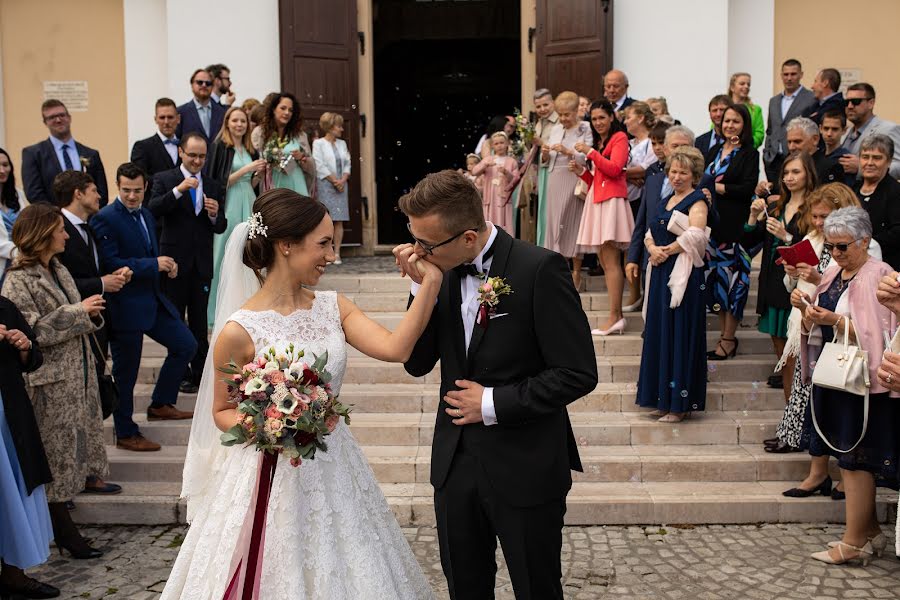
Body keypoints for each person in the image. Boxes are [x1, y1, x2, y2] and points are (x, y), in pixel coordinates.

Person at [162, 188, 441, 599]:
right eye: (323, 244)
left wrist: (430, 283)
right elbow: (221, 410)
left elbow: (397, 348)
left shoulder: (334, 306)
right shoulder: (239, 331)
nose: (331, 255)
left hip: (334, 461)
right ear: (286, 245)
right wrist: (270, 423)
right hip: (268, 470)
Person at [396, 169, 597, 599]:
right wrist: (420, 291)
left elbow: (577, 372)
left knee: (536, 588)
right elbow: (415, 362)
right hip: (455, 465)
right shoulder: (439, 271)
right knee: (465, 589)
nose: (416, 251)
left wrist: (491, 402)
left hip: (526, 464)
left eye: (425, 244)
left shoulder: (540, 269)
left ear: (468, 238)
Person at [1, 203, 107, 559]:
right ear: (43, 235)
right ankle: (64, 533)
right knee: (56, 458)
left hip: (77, 374)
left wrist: (86, 315)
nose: (66, 235)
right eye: (60, 230)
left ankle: (64, 529)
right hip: (48, 382)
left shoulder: (58, 268)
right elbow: (30, 331)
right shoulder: (18, 280)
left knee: (73, 452)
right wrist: (80, 312)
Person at [799, 207, 897, 566]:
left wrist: (835, 320)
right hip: (837, 376)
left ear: (865, 242)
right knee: (848, 458)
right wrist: (809, 311)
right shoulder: (834, 271)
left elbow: (880, 335)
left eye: (842, 246)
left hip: (864, 382)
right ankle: (869, 532)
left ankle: (853, 541)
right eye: (832, 246)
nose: (836, 254)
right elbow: (825, 315)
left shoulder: (878, 274)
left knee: (856, 461)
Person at [771, 185, 875, 496]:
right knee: (818, 407)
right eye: (814, 217)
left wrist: (827, 308)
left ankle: (848, 477)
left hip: (847, 345)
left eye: (824, 217)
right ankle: (818, 473)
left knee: (846, 417)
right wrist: (796, 283)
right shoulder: (817, 240)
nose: (818, 223)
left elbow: (866, 310)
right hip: (817, 336)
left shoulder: (870, 256)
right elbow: (818, 285)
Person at [92, 163, 197, 452]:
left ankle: (161, 402)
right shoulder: (104, 218)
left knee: (186, 345)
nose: (131, 196)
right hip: (125, 306)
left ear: (145, 187)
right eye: (126, 190)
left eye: (137, 190)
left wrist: (167, 266)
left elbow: (149, 252)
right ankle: (126, 432)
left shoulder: (147, 213)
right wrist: (154, 265)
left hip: (153, 299)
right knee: (125, 375)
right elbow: (111, 263)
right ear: (117, 186)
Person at [635, 147, 709, 422]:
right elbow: (649, 232)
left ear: (694, 175)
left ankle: (679, 405)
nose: (676, 176)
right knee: (661, 332)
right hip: (659, 270)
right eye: (673, 171)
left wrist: (667, 250)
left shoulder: (697, 200)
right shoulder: (666, 198)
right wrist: (653, 248)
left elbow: (697, 236)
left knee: (678, 334)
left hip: (683, 275)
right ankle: (661, 399)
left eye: (683, 172)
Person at [149, 133, 226, 394]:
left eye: (202, 156)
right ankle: (180, 374)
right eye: (192, 155)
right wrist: (178, 190)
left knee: (199, 322)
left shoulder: (213, 185)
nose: (197, 160)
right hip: (174, 262)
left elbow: (221, 226)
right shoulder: (165, 179)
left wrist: (215, 215)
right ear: (181, 152)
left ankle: (200, 374)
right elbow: (154, 209)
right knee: (176, 321)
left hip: (201, 263)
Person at [0, 296, 59, 599]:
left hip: (9, 415)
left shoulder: (4, 306)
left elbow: (34, 359)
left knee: (12, 495)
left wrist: (24, 347)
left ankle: (14, 574)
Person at [747, 151, 817, 398]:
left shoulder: (814, 209)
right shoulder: (777, 206)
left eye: (795, 171)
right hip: (772, 282)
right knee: (783, 356)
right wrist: (754, 215)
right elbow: (748, 240)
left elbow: (815, 254)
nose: (788, 177)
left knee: (798, 359)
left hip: (799, 288)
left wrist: (786, 237)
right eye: (785, 172)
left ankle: (798, 420)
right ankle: (789, 417)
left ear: (809, 174)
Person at [705, 103, 760, 360]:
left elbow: (747, 188)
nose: (729, 125)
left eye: (735, 121)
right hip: (712, 227)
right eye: (726, 121)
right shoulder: (715, 149)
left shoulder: (749, 153)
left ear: (744, 125)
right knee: (716, 286)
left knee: (734, 285)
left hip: (735, 229)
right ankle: (722, 335)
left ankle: (728, 339)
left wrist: (716, 188)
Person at [573, 100, 630, 334]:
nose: (597, 123)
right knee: (605, 262)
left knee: (611, 261)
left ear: (611, 117)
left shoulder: (619, 138)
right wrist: (583, 173)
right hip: (598, 199)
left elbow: (615, 169)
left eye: (601, 118)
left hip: (611, 202)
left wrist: (590, 152)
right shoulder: (602, 141)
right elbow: (599, 177)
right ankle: (615, 315)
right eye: (594, 119)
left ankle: (615, 316)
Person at [207, 106, 265, 327]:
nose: (239, 125)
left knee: (250, 251)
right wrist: (246, 169)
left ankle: (247, 304)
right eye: (235, 121)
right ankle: (214, 312)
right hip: (230, 203)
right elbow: (218, 182)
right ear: (227, 123)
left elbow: (250, 183)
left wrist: (258, 176)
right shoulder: (220, 147)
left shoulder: (250, 148)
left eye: (243, 121)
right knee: (223, 253)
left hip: (248, 199)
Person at [627, 125, 697, 293]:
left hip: (684, 260)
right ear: (665, 149)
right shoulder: (653, 180)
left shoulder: (702, 182)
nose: (680, 151)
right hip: (652, 257)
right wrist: (633, 258)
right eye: (675, 146)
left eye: (684, 146)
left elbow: (711, 221)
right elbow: (642, 221)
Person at [536, 91, 592, 288]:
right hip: (554, 177)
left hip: (573, 177)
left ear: (577, 111)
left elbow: (588, 156)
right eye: (560, 114)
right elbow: (546, 160)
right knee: (554, 223)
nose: (563, 118)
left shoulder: (585, 127)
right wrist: (544, 154)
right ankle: (561, 270)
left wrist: (569, 152)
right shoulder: (557, 128)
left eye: (567, 114)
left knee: (572, 223)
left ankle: (576, 271)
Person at [21, 100, 108, 206]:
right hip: (53, 219)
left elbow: (102, 192)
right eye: (52, 117)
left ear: (69, 118)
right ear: (45, 122)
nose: (58, 120)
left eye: (62, 115)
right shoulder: (33, 154)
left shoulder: (91, 154)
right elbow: (34, 194)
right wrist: (59, 217)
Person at [622, 101, 659, 309]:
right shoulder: (630, 142)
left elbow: (648, 169)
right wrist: (629, 174)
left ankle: (639, 294)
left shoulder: (650, 142)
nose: (625, 121)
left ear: (641, 118)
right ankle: (634, 292)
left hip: (642, 199)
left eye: (629, 117)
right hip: (628, 197)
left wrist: (621, 172)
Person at [755, 117, 844, 198]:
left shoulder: (830, 167)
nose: (791, 147)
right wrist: (767, 190)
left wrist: (784, 200)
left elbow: (834, 200)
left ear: (815, 139)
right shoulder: (786, 163)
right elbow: (780, 190)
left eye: (797, 142)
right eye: (789, 142)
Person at [763, 59, 816, 184]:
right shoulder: (774, 101)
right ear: (781, 75)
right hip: (773, 159)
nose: (789, 78)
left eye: (793, 74)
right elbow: (770, 129)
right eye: (786, 74)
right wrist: (767, 153)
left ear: (801, 75)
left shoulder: (811, 98)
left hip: (796, 156)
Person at [253, 92, 316, 195]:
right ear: (273, 109)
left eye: (290, 110)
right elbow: (255, 160)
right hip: (272, 184)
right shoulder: (259, 133)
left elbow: (311, 164)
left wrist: (302, 158)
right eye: (283, 108)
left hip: (296, 182)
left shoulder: (300, 135)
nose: (287, 113)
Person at [852, 134, 900, 270]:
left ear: (889, 161)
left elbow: (897, 232)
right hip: (852, 265)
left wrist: (863, 244)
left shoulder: (896, 192)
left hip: (885, 267)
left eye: (877, 158)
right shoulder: (852, 189)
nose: (869, 163)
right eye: (865, 157)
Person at [312, 112, 353, 264]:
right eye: (338, 126)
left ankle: (337, 253)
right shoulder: (318, 143)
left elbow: (348, 162)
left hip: (342, 185)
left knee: (339, 220)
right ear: (329, 127)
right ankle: (324, 252)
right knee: (325, 218)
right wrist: (335, 180)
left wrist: (343, 179)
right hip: (326, 184)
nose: (341, 129)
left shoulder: (342, 143)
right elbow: (319, 164)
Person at [840, 83, 900, 180]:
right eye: (847, 102)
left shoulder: (888, 129)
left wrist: (862, 168)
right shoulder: (845, 133)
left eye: (856, 101)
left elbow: (899, 166)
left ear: (871, 103)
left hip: (876, 192)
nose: (850, 106)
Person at [471, 132, 517, 234]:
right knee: (490, 222)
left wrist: (506, 172)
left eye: (502, 142)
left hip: (504, 200)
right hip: (490, 200)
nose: (499, 146)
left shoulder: (511, 161)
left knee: (504, 224)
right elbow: (474, 171)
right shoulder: (488, 159)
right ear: (492, 146)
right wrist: (485, 164)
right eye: (496, 143)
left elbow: (515, 180)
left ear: (507, 144)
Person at [130, 98, 182, 184]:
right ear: (155, 119)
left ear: (178, 119)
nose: (166, 122)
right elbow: (140, 179)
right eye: (162, 117)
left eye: (170, 117)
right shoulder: (142, 147)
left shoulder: (185, 146)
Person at [175, 69, 226, 145]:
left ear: (212, 87)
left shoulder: (222, 112)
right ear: (192, 85)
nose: (204, 85)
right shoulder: (181, 112)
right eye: (200, 82)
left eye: (208, 83)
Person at [0, 148, 24, 279]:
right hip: (4, 262)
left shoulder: (18, 194)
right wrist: (17, 252)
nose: (2, 170)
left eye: (5, 165)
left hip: (22, 262)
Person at [727, 72, 764, 149]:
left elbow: (759, 134)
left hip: (747, 152)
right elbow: (715, 129)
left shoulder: (756, 110)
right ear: (732, 87)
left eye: (748, 84)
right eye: (742, 84)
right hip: (725, 150)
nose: (746, 86)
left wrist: (745, 146)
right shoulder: (724, 108)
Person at [820, 110, 854, 186]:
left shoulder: (846, 159)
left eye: (835, 129)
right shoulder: (817, 156)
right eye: (826, 128)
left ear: (844, 130)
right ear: (820, 129)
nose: (829, 134)